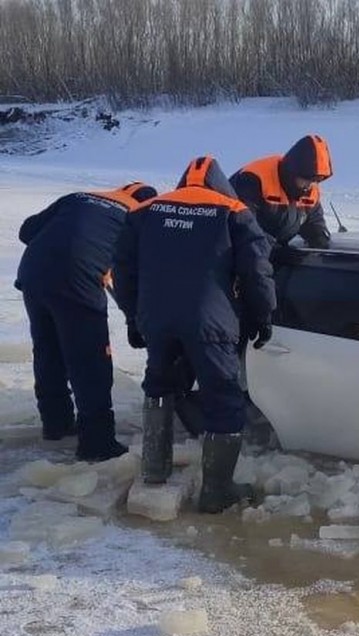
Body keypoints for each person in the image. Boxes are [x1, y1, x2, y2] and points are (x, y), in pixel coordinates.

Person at [113, 156, 276, 513]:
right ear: (219, 184)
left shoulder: (146, 211)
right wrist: (264, 317)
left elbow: (124, 272)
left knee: (159, 385)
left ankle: (155, 470)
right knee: (223, 398)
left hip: (156, 317)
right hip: (211, 322)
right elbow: (257, 273)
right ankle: (217, 491)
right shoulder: (235, 212)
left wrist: (133, 318)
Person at [14, 182, 157, 461]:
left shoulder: (79, 197)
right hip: (77, 278)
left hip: (34, 271)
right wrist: (135, 320)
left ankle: (56, 424)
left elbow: (26, 231)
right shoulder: (138, 216)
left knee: (48, 350)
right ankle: (97, 442)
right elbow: (132, 277)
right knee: (90, 358)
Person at [229, 134, 334, 249]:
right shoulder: (254, 179)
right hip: (238, 250)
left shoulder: (310, 188)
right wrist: (276, 251)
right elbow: (245, 227)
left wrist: (321, 242)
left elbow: (313, 223)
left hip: (273, 249)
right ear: (293, 172)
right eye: (306, 179)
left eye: (316, 180)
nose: (309, 186)